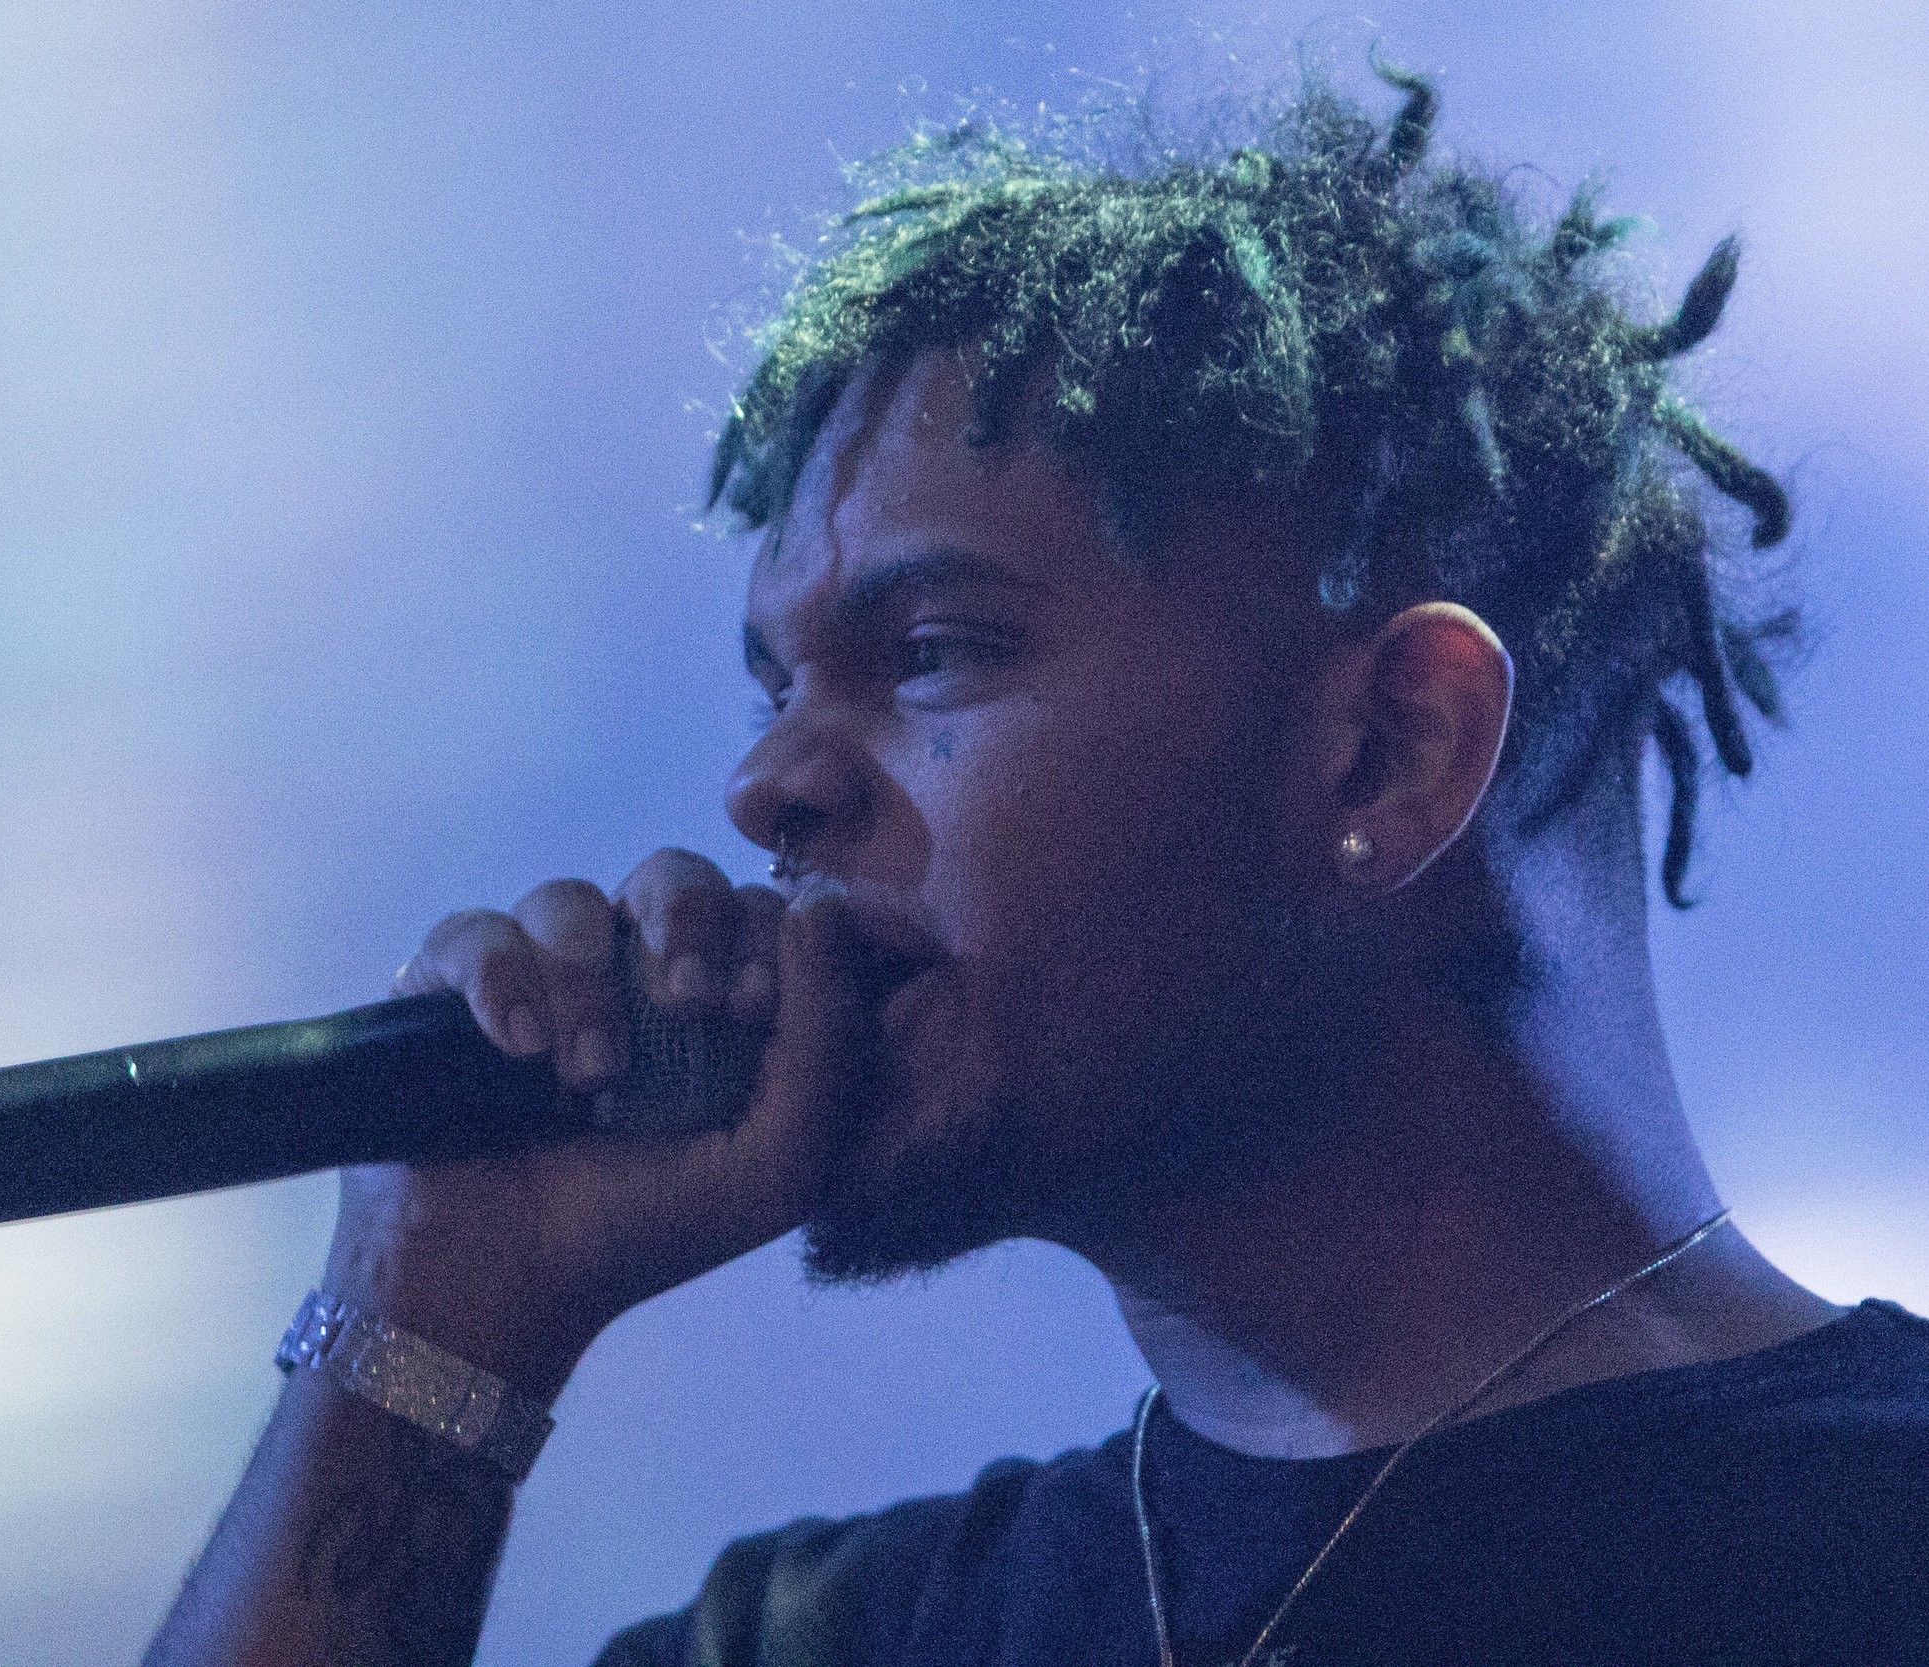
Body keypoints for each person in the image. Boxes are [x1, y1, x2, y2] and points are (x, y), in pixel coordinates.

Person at [144, 63, 1929, 1667]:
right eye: (772, 686)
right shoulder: (833, 1639)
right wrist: (438, 1315)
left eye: (931, 651)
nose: (766, 788)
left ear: (1393, 747)